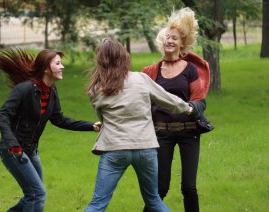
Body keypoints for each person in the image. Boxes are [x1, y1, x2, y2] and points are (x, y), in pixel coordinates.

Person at [84, 40, 196, 212]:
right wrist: (187, 108)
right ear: (124, 57)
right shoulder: (140, 79)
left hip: (115, 148)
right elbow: (167, 99)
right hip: (146, 148)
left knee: (97, 204)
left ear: (101, 60)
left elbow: (103, 118)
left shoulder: (95, 89)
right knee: (154, 201)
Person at [0, 48, 101, 212]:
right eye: (58, 63)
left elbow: (59, 119)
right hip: (14, 150)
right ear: (45, 68)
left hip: (31, 150)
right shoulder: (24, 89)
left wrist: (90, 126)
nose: (62, 67)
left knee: (33, 194)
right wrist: (12, 145)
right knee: (37, 194)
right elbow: (3, 115)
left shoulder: (51, 91)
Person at [142, 8, 211, 212]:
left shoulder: (189, 69)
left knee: (189, 187)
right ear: (162, 42)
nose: (170, 41)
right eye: (167, 37)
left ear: (182, 43)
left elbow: (200, 101)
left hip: (189, 132)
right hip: (162, 134)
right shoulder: (152, 72)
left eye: (175, 38)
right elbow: (140, 102)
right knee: (160, 188)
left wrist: (191, 108)